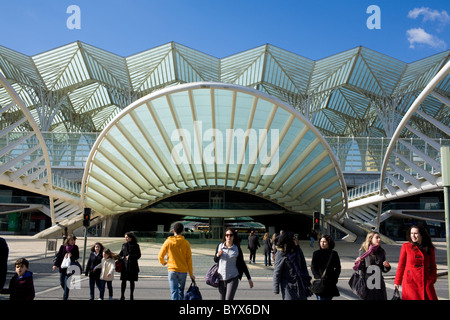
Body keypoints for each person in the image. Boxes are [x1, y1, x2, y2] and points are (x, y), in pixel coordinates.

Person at [394, 225, 438, 300]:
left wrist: (432, 279)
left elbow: (433, 266)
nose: (413, 236)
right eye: (411, 233)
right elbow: (401, 265)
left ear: (421, 234)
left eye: (415, 233)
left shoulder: (429, 248)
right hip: (410, 282)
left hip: (426, 282)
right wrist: (397, 282)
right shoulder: (406, 246)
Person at [158, 222, 195, 300]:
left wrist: (163, 262)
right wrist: (191, 274)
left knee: (174, 291)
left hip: (172, 270)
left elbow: (160, 256)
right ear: (182, 231)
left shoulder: (168, 242)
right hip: (183, 271)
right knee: (180, 292)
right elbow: (189, 260)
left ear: (173, 231)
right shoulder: (186, 243)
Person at [214, 228, 253, 300]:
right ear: (225, 236)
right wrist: (217, 255)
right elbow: (215, 260)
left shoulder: (237, 248)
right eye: (227, 235)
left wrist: (249, 279)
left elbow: (242, 264)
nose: (229, 237)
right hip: (221, 278)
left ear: (233, 236)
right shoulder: (219, 246)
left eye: (231, 235)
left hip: (232, 278)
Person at [273, 231, 311, 300]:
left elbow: (304, 266)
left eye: (296, 238)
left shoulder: (298, 250)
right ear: (288, 240)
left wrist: (307, 281)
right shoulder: (281, 253)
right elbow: (277, 271)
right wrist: (276, 288)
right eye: (294, 239)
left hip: (300, 283)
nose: (296, 240)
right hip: (288, 285)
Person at [353, 231, 391, 300]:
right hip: (367, 283)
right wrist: (358, 262)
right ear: (370, 239)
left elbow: (383, 269)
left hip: (379, 284)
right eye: (377, 238)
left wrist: (386, 266)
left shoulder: (381, 251)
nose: (379, 239)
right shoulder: (364, 251)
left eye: (379, 237)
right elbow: (360, 268)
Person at [311, 234, 341, 300]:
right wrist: (317, 277)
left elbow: (338, 268)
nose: (322, 243)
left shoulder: (333, 254)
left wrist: (335, 279)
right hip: (320, 282)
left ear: (329, 243)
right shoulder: (316, 253)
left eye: (324, 242)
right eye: (321, 242)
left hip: (330, 283)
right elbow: (313, 266)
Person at [52, 234, 80, 300]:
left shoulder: (75, 247)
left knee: (67, 282)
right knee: (62, 282)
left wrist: (71, 256)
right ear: (68, 240)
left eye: (74, 240)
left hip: (70, 267)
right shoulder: (63, 247)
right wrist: (55, 265)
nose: (73, 241)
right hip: (63, 267)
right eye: (71, 240)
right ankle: (66, 291)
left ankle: (65, 297)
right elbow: (59, 256)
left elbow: (77, 257)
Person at [118, 232, 141, 300]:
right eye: (125, 237)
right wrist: (115, 257)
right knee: (123, 281)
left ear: (131, 238)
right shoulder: (124, 245)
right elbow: (121, 254)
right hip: (124, 266)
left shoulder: (136, 245)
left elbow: (138, 255)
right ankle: (122, 295)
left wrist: (130, 257)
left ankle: (131, 295)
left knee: (132, 281)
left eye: (127, 237)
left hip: (132, 266)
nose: (126, 239)